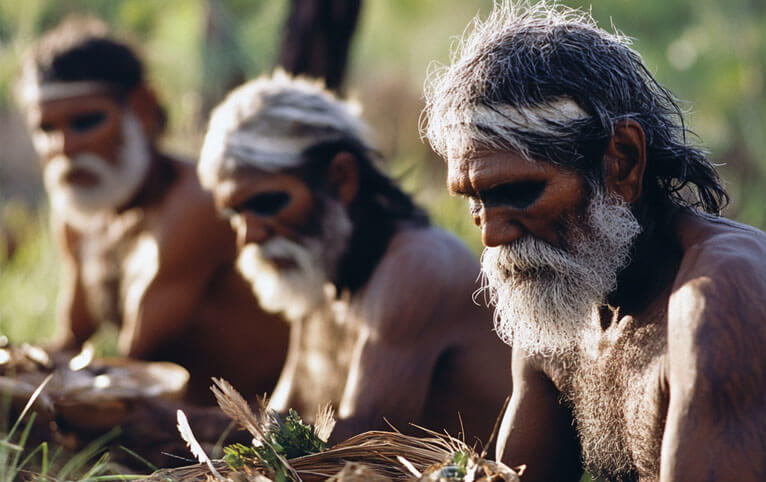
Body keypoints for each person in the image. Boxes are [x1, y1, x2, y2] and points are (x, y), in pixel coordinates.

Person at [422, 1, 766, 481]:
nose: (492, 234)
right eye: (474, 201)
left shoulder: (723, 295)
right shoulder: (560, 308)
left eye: (518, 192)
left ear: (621, 161)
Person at [197, 70, 512, 443]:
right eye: (235, 214)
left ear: (341, 177)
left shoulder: (417, 267)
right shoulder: (320, 273)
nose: (249, 235)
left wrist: (185, 424)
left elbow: (361, 445)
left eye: (267, 203)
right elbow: (285, 421)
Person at [18, 17, 289, 405]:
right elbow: (71, 342)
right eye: (46, 129)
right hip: (158, 426)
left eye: (85, 122)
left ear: (142, 109)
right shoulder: (79, 215)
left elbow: (136, 361)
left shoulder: (197, 203)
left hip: (243, 433)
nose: (64, 147)